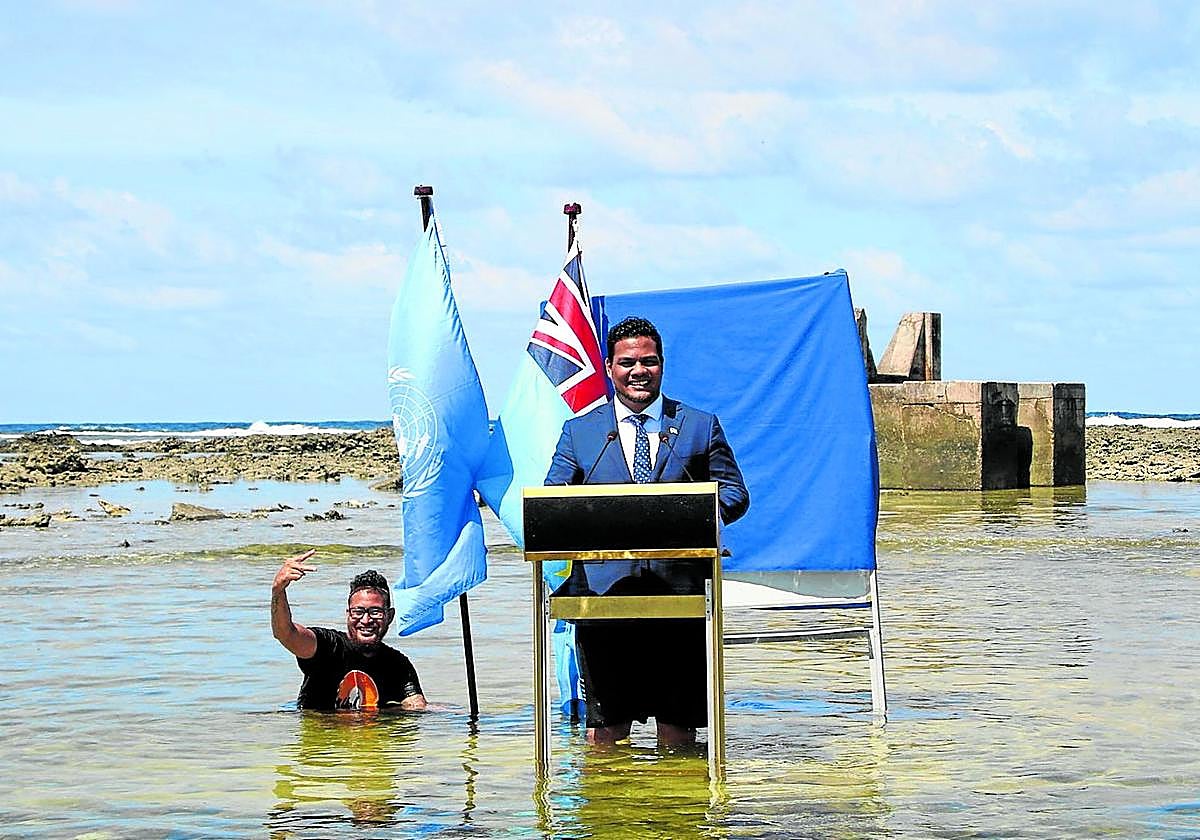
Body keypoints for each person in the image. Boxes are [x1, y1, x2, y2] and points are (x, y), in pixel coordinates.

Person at [545, 316, 748, 746]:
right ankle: (607, 812)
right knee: (606, 728)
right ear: (609, 367)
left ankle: (677, 810)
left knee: (678, 728)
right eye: (628, 362)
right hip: (603, 598)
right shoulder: (580, 432)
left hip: (680, 596)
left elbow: (734, 493)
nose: (639, 371)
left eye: (649, 361)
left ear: (662, 365)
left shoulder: (698, 425)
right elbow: (553, 499)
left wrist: (690, 518)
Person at [271, 549, 427, 711]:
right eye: (358, 612)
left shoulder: (398, 665)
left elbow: (417, 707)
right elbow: (285, 633)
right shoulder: (327, 646)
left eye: (375, 612)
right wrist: (278, 590)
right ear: (348, 614)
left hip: (371, 734)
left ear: (390, 616)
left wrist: (453, 716)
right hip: (322, 731)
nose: (366, 620)